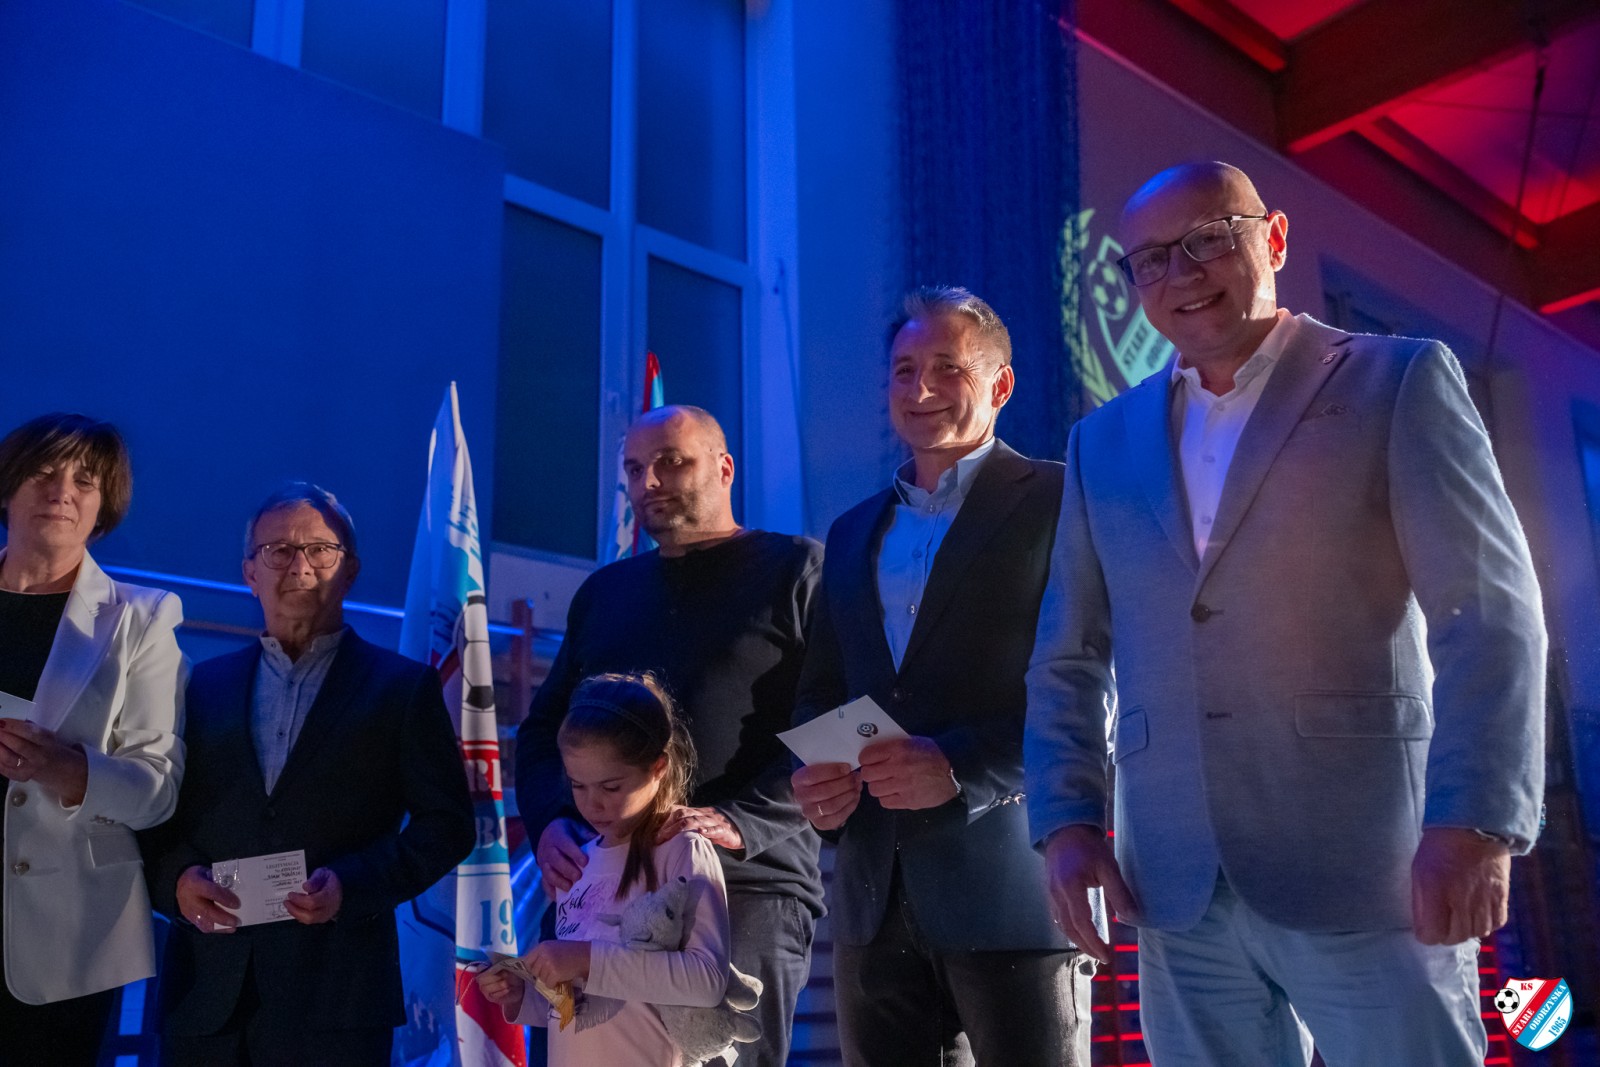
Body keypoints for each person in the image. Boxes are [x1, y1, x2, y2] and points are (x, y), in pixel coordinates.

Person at [1025, 161, 1547, 1066]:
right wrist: (1068, 822)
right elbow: (1068, 654)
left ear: (1272, 238)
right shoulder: (1100, 441)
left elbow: (1489, 613)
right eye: (1151, 259)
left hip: (1368, 863)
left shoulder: (1398, 380)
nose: (1181, 273)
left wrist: (1477, 821)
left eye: (1207, 240)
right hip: (1173, 879)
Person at [790, 286, 1095, 1066]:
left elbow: (1097, 684)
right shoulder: (851, 530)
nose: (920, 388)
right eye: (904, 370)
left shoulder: (1062, 499)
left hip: (1013, 889)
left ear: (1000, 384)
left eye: (947, 368)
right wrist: (820, 784)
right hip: (871, 900)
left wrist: (959, 766)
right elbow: (822, 688)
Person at [515, 405, 822, 1067]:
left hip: (744, 885)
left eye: (671, 462)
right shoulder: (605, 592)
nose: (649, 481)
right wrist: (549, 821)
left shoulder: (797, 570)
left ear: (724, 467)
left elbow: (843, 724)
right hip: (600, 887)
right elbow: (542, 731)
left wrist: (740, 820)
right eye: (634, 469)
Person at [140, 482, 474, 1066]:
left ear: (350, 571)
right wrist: (176, 882)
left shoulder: (402, 690)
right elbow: (157, 811)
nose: (299, 566)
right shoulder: (199, 686)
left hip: (337, 996)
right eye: (278, 551)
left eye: (320, 549)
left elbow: (447, 825)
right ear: (249, 573)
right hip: (205, 993)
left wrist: (353, 886)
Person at [0, 412, 186, 1066]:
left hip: (63, 936)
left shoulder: (142, 618)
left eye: (85, 480)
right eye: (44, 472)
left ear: (104, 506)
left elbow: (157, 790)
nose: (62, 491)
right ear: (8, 487)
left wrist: (69, 768)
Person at [482, 672, 730, 1066]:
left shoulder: (681, 849)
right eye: (577, 786)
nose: (592, 804)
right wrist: (523, 994)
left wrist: (585, 958)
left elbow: (707, 981)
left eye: (610, 787)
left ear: (658, 768)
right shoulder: (577, 861)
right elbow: (580, 1003)